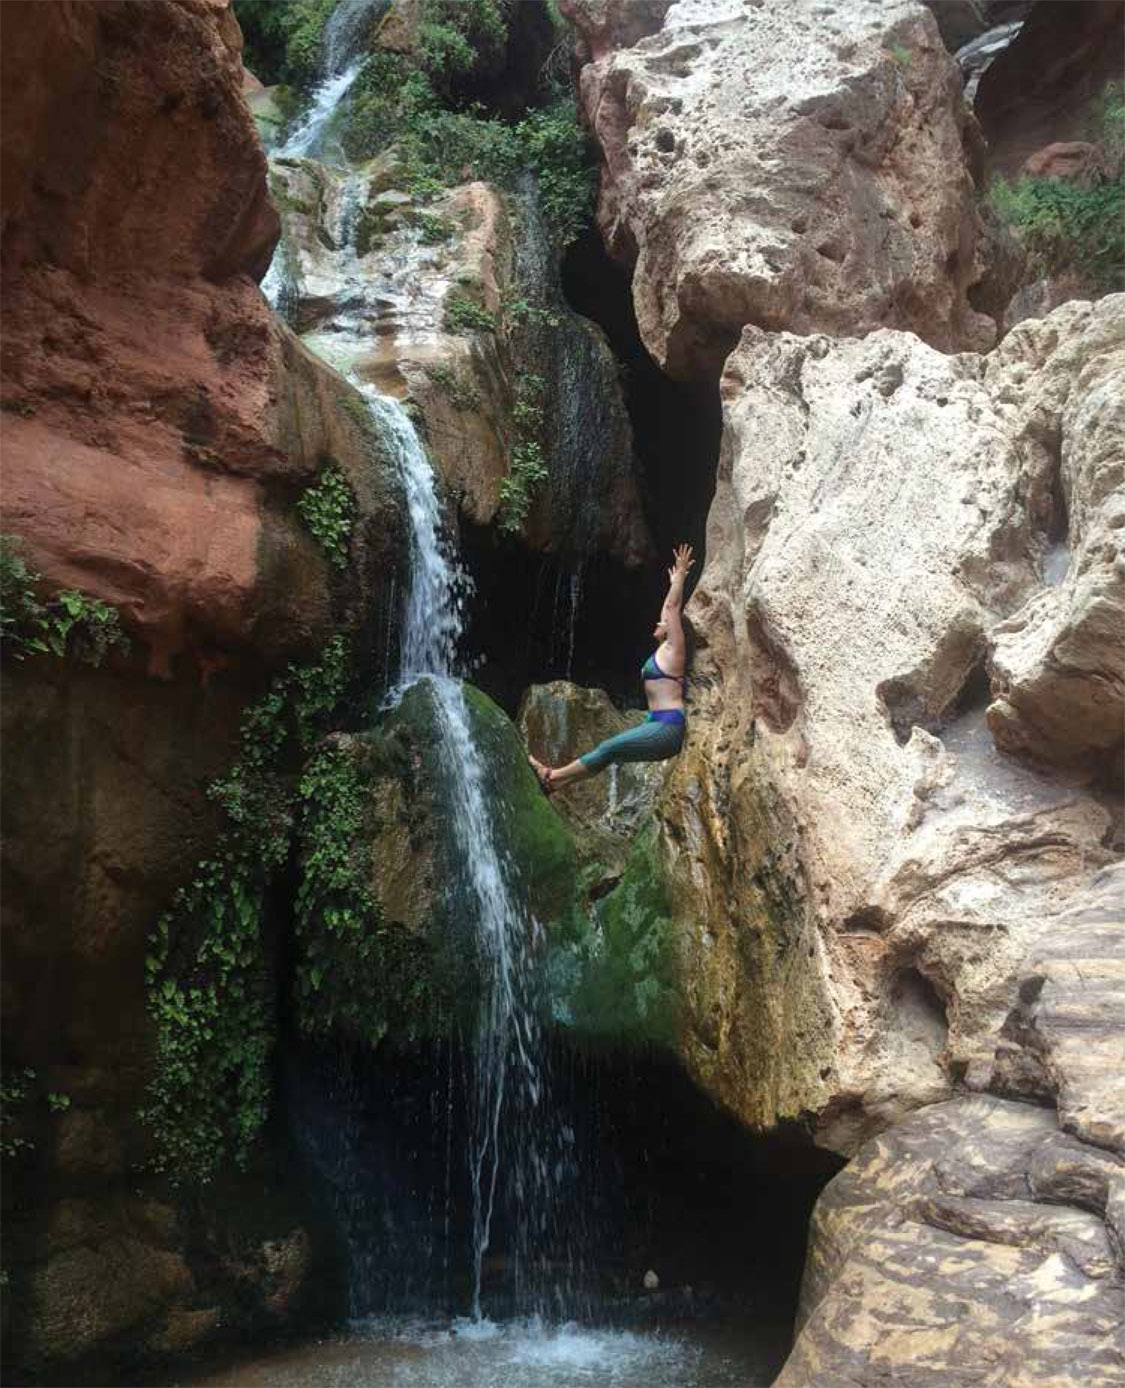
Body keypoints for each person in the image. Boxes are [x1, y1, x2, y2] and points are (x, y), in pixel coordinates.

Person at [529, 544, 695, 795]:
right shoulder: (664, 649)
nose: (659, 620)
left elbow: (672, 610)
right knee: (609, 753)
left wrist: (681, 577)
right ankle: (557, 784)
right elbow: (669, 608)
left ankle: (551, 775)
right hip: (657, 723)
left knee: (608, 748)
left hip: (667, 728)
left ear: (674, 629)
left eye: (665, 622)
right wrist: (673, 584)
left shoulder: (675, 650)